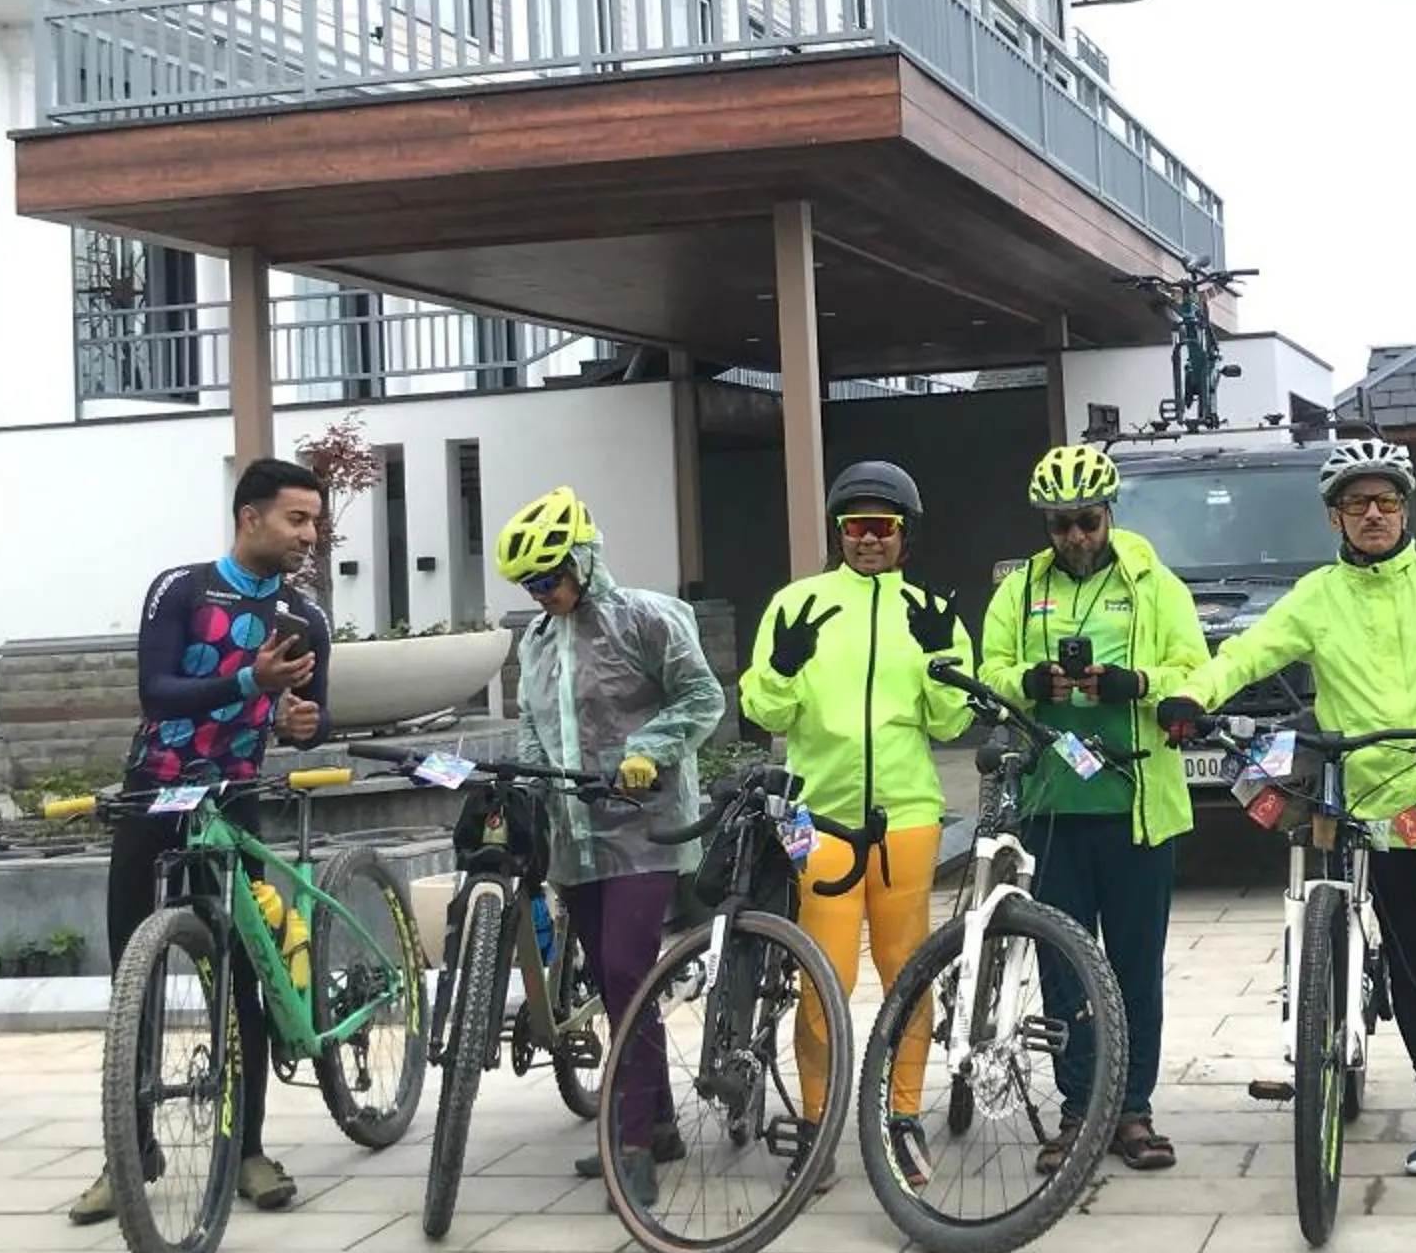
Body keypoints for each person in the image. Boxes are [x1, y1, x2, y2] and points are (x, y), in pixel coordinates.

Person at [1161, 437, 1416, 1188]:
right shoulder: (1316, 596)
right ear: (1334, 518)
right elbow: (1248, 653)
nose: (1373, 515)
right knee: (1409, 968)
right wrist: (1194, 694)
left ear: (1405, 508)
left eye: (1385, 502)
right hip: (1374, 812)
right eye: (1356, 504)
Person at [70, 457, 332, 1224]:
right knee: (134, 983)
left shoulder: (305, 618)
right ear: (249, 517)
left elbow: (317, 720)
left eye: (315, 520)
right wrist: (251, 684)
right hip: (154, 796)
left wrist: (303, 725)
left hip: (235, 804)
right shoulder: (180, 590)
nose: (309, 535)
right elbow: (156, 693)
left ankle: (247, 1149)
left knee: (241, 976)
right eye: (296, 518)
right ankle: (130, 1155)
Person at [739, 460, 975, 1187]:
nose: (869, 540)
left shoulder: (931, 609)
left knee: (906, 970)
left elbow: (953, 719)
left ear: (906, 537)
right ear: (838, 533)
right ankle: (817, 1126)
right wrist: (780, 667)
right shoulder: (797, 604)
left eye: (884, 527)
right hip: (818, 819)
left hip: (906, 816)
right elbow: (761, 710)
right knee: (824, 976)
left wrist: (941, 657)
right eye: (855, 527)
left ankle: (903, 1117)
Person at [979, 442, 1210, 1173]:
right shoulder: (1019, 590)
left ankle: (1133, 1111)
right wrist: (1030, 682)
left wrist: (1135, 682)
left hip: (1135, 801)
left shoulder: (1154, 583)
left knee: (1135, 968)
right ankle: (1079, 1111)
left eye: (1086, 521)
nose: (1074, 538)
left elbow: (1198, 669)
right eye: (1059, 525)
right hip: (1053, 805)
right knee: (1062, 969)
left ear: (1109, 514)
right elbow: (989, 672)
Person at [498, 486, 724, 1206]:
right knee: (618, 983)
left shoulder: (647, 619)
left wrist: (650, 749)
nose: (544, 593)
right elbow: (533, 728)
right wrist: (531, 790)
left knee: (629, 969)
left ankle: (629, 1144)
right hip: (574, 836)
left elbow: (702, 698)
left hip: (644, 826)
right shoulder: (535, 643)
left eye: (552, 576)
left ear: (586, 559)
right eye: (531, 584)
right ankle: (656, 1120)